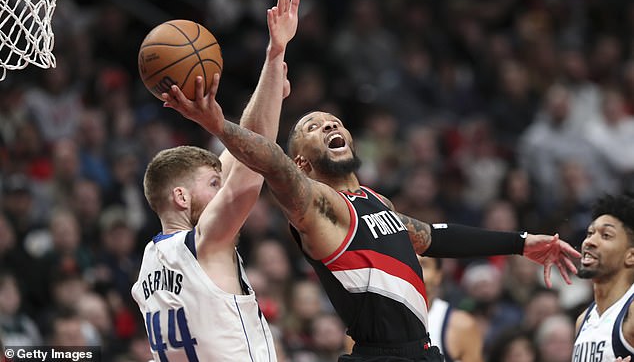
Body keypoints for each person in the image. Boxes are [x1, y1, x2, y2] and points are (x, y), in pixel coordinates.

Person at [162, 86, 580, 361]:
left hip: (422, 352)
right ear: (302, 162)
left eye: (334, 122)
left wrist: (521, 243)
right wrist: (217, 124)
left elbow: (433, 236)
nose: (329, 124)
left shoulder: (376, 200)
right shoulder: (317, 205)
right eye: (312, 125)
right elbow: (272, 162)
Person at [131, 0, 300, 361]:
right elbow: (257, 162)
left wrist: (272, 78)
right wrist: (275, 53)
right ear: (181, 196)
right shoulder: (204, 244)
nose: (220, 188)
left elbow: (245, 147)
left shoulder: (148, 263)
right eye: (212, 184)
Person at [573, 193, 634, 361]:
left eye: (606, 235)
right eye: (590, 233)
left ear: (631, 256)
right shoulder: (582, 321)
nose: (590, 241)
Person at [418, 255, 483, 362]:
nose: (415, 270)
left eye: (424, 265)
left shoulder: (460, 325)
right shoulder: (383, 321)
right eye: (409, 264)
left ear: (438, 275)